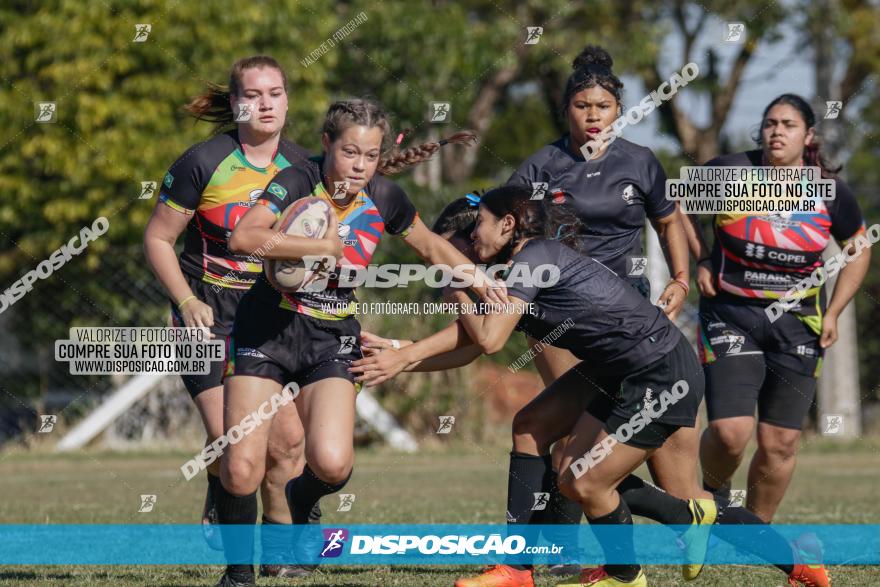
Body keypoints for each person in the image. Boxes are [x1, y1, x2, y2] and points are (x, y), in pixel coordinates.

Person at [352, 186, 831, 587]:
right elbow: (472, 342)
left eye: (474, 229)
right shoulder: (512, 269)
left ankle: (632, 574)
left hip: (659, 371)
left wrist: (450, 284)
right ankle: (517, 569)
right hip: (617, 367)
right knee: (533, 428)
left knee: (583, 480)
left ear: (507, 225)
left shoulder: (533, 259)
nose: (470, 241)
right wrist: (401, 356)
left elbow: (489, 338)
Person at [212, 97, 488, 587]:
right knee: (240, 468)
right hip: (265, 331)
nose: (360, 166)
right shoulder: (296, 180)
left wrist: (481, 281)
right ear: (326, 145)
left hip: (330, 338)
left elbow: (431, 247)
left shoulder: (386, 197)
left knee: (333, 464)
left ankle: (300, 499)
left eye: (371, 155)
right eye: (349, 153)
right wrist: (322, 245)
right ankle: (238, 575)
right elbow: (243, 238)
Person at [508, 43, 698, 578]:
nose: (592, 116)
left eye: (603, 107)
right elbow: (505, 222)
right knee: (562, 430)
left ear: (619, 109)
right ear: (566, 109)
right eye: (581, 106)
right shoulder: (542, 165)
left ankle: (681, 520)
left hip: (630, 315)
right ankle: (560, 551)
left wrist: (681, 277)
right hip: (560, 316)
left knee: (616, 440)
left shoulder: (640, 161)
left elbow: (668, 221)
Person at [143, 55, 317, 576]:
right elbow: (157, 238)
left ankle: (282, 556)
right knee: (234, 450)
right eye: (254, 94)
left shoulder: (304, 166)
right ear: (236, 102)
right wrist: (186, 300)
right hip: (206, 317)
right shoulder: (202, 162)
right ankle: (223, 492)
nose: (266, 104)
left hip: (269, 318)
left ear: (288, 99)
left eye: (276, 93)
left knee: (287, 443)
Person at [681, 94, 870, 523]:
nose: (777, 131)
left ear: (808, 135)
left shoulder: (830, 191)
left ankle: (754, 535)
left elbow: (858, 248)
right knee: (731, 434)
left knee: (780, 441)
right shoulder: (729, 172)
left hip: (799, 325)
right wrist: (703, 259)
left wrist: (836, 311)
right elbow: (678, 211)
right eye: (770, 123)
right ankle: (713, 497)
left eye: (788, 124)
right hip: (731, 315)